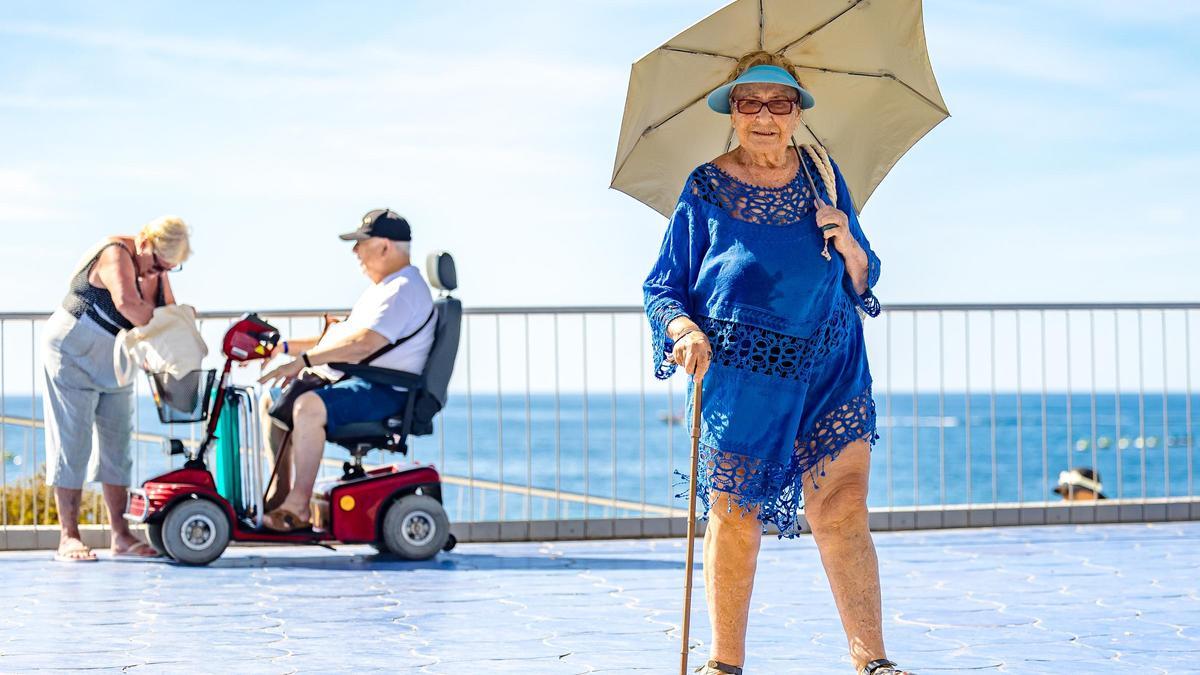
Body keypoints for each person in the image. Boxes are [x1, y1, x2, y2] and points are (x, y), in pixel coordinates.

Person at [643, 53, 909, 675]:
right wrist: (682, 329)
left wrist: (846, 239)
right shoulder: (705, 187)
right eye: (749, 103)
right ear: (732, 112)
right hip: (740, 381)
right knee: (735, 518)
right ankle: (724, 663)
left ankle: (873, 661)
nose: (764, 115)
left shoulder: (823, 176)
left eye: (779, 103)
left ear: (797, 113)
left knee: (842, 507)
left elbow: (864, 276)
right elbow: (663, 287)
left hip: (828, 367)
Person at [257, 209, 435, 532]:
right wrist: (283, 349)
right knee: (273, 399)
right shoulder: (384, 289)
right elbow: (339, 339)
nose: (355, 252)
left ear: (385, 247)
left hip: (384, 390)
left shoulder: (402, 291)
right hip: (365, 382)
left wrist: (304, 362)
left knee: (307, 407)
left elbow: (364, 344)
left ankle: (298, 508)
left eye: (361, 244)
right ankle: (279, 494)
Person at [43, 216, 191, 562]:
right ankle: (69, 536)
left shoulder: (155, 266)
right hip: (72, 350)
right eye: (157, 263)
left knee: (118, 443)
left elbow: (166, 310)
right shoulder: (116, 252)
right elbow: (129, 305)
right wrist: (170, 321)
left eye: (170, 267)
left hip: (114, 357)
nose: (157, 271)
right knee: (72, 441)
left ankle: (121, 536)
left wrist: (162, 278)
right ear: (145, 243)